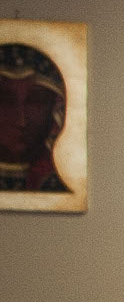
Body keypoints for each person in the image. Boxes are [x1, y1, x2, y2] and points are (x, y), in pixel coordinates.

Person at [0, 41, 75, 195]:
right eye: (5, 101)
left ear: (55, 110)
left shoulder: (54, 184)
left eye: (35, 102)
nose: (21, 120)